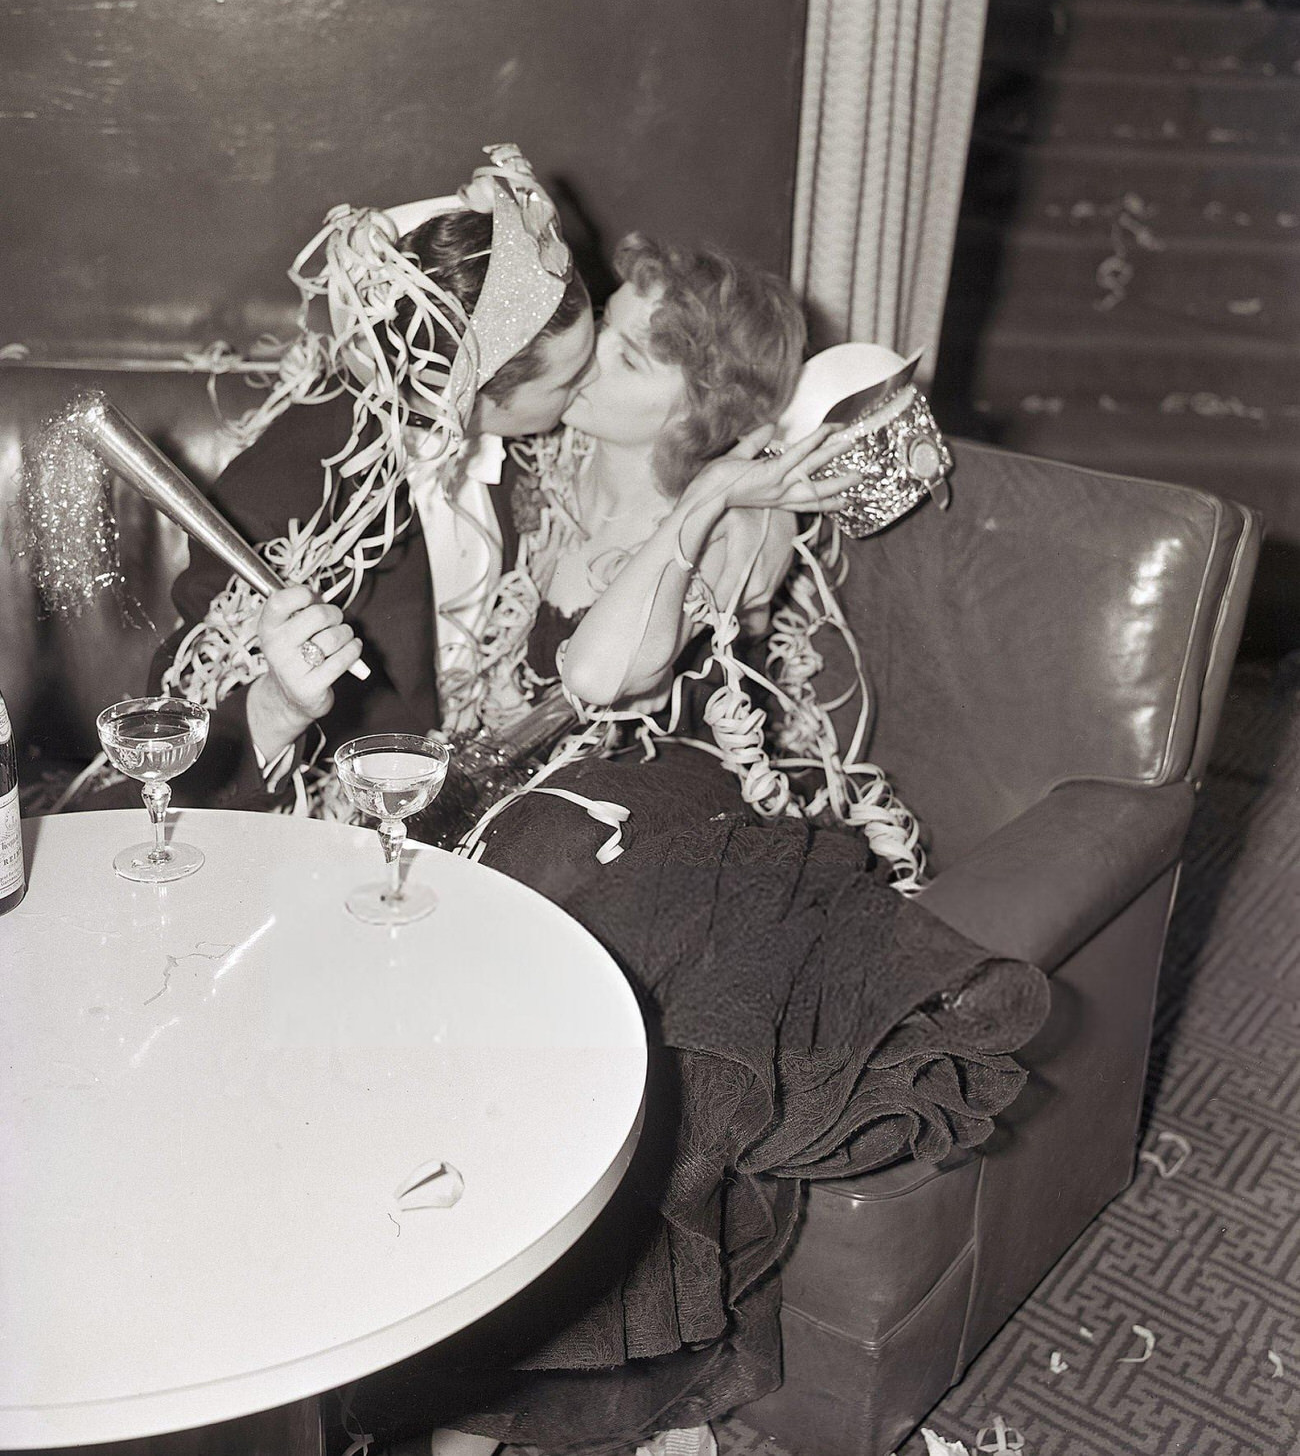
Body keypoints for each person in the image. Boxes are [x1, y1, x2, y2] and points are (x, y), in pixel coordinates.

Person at [340, 238, 1050, 1456]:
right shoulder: (539, 464)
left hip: (670, 809)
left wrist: (715, 495)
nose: (581, 366)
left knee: (564, 997)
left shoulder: (739, 519)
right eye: (607, 328)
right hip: (535, 798)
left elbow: (600, 672)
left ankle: (473, 1410)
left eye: (619, 354)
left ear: (697, 404)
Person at [148, 145, 595, 810]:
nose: (590, 389)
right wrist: (277, 705)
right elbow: (179, 746)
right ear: (461, 391)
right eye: (570, 379)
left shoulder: (534, 443)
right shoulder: (284, 494)